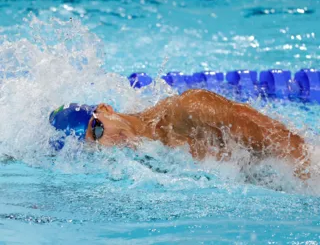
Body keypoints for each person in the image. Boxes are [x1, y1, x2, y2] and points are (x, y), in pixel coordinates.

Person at [49, 89, 310, 179]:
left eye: (97, 129)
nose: (107, 144)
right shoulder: (144, 161)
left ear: (105, 109)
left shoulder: (188, 110)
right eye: (95, 148)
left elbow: (285, 142)